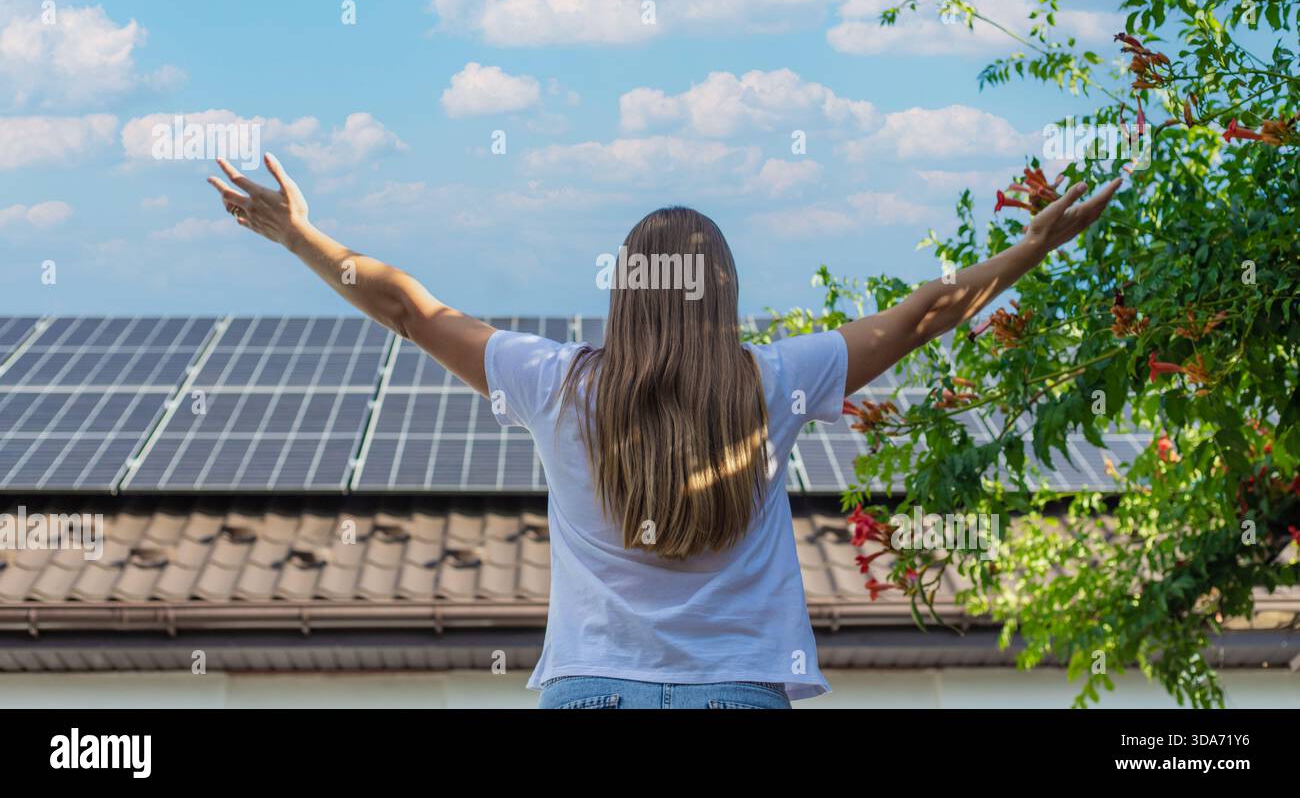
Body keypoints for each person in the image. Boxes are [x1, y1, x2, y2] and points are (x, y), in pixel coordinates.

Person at [208, 154, 1121, 709]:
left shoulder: (555, 382)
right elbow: (923, 316)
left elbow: (412, 310)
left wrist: (301, 237)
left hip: (588, 687)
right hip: (739, 689)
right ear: (723, 294)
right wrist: (1031, 247)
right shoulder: (773, 380)